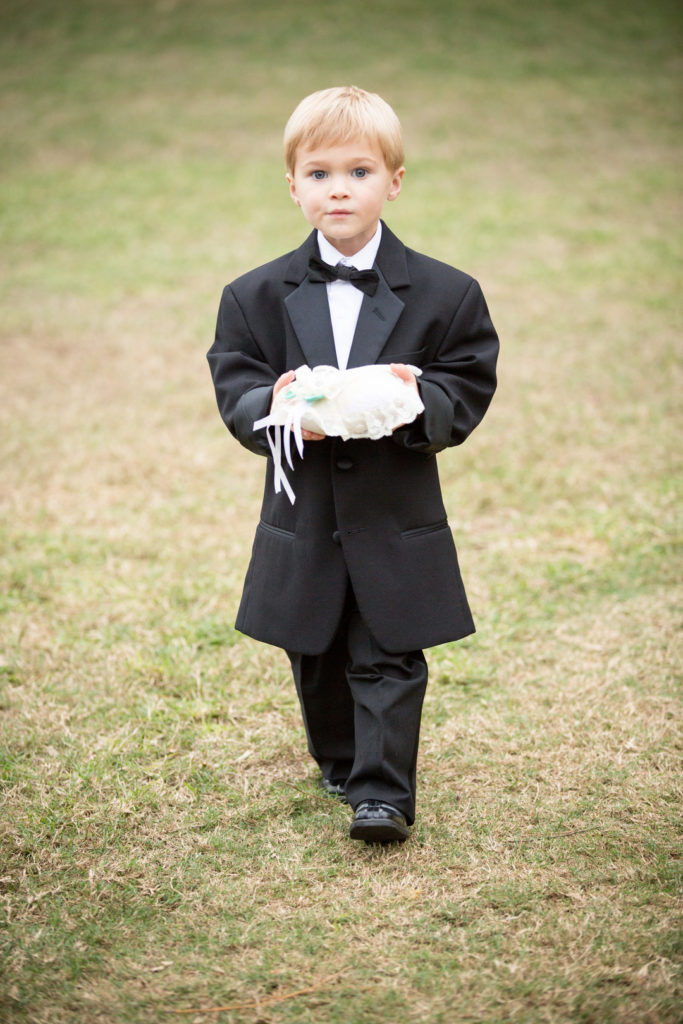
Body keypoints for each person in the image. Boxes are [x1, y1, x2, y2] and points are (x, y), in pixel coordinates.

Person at [207, 86, 499, 843]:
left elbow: (466, 379)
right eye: (319, 173)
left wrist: (415, 397)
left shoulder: (446, 291)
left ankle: (383, 794)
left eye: (360, 171)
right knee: (316, 645)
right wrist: (267, 407)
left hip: (393, 508)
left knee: (387, 648)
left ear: (394, 181)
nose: (339, 188)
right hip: (303, 512)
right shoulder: (252, 294)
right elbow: (234, 379)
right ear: (292, 184)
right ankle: (338, 759)